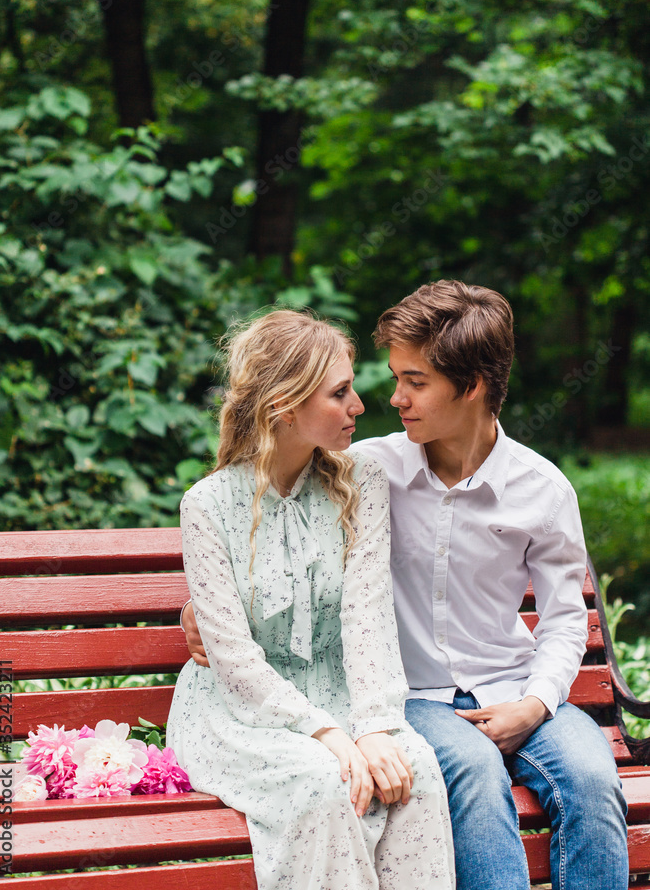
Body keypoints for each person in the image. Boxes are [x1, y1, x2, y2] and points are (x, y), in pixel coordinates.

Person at [183, 281, 629, 890]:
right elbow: (278, 511)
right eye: (393, 378)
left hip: (515, 686)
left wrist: (536, 702)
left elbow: (563, 619)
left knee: (594, 779)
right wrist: (201, 608)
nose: (391, 398)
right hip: (418, 696)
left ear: (470, 387)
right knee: (470, 773)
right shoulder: (367, 466)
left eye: (414, 382)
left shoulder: (542, 489)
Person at [167, 309, 455, 890]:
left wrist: (374, 727)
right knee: (323, 781)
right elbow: (233, 659)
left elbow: (367, 616)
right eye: (340, 393)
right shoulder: (207, 507)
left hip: (346, 695)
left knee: (415, 769)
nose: (360, 407)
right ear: (285, 406)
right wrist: (326, 734)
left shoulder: (361, 483)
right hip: (238, 715)